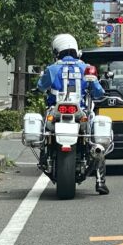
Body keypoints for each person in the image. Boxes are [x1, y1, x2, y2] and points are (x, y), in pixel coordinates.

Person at [37, 34, 109, 195]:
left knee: (45, 132)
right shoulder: (86, 68)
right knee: (94, 139)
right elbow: (98, 92)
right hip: (80, 110)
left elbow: (41, 87)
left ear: (57, 51)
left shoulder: (52, 68)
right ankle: (100, 181)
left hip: (56, 110)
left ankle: (45, 156)